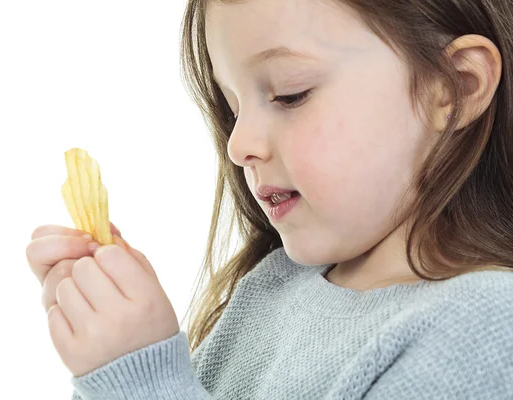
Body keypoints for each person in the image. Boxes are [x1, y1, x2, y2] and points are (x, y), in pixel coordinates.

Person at [25, 0, 513, 398]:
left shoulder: (484, 328)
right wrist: (110, 357)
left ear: (454, 87)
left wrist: (141, 377)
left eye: (289, 94)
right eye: (233, 107)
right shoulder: (276, 285)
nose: (238, 146)